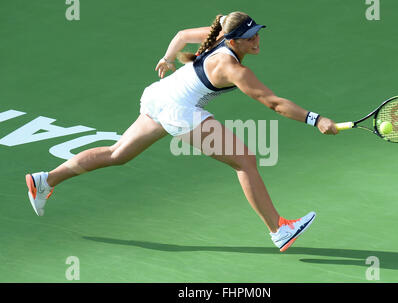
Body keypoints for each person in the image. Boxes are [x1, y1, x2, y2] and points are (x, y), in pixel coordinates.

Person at [25, 11, 338, 252]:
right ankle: (279, 230)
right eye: (250, 37)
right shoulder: (232, 68)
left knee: (117, 154)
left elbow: (181, 35)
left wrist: (166, 58)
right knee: (245, 161)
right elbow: (273, 102)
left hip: (159, 96)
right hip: (179, 111)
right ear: (233, 40)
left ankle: (45, 181)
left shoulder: (218, 34)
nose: (256, 41)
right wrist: (316, 119)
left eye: (257, 34)